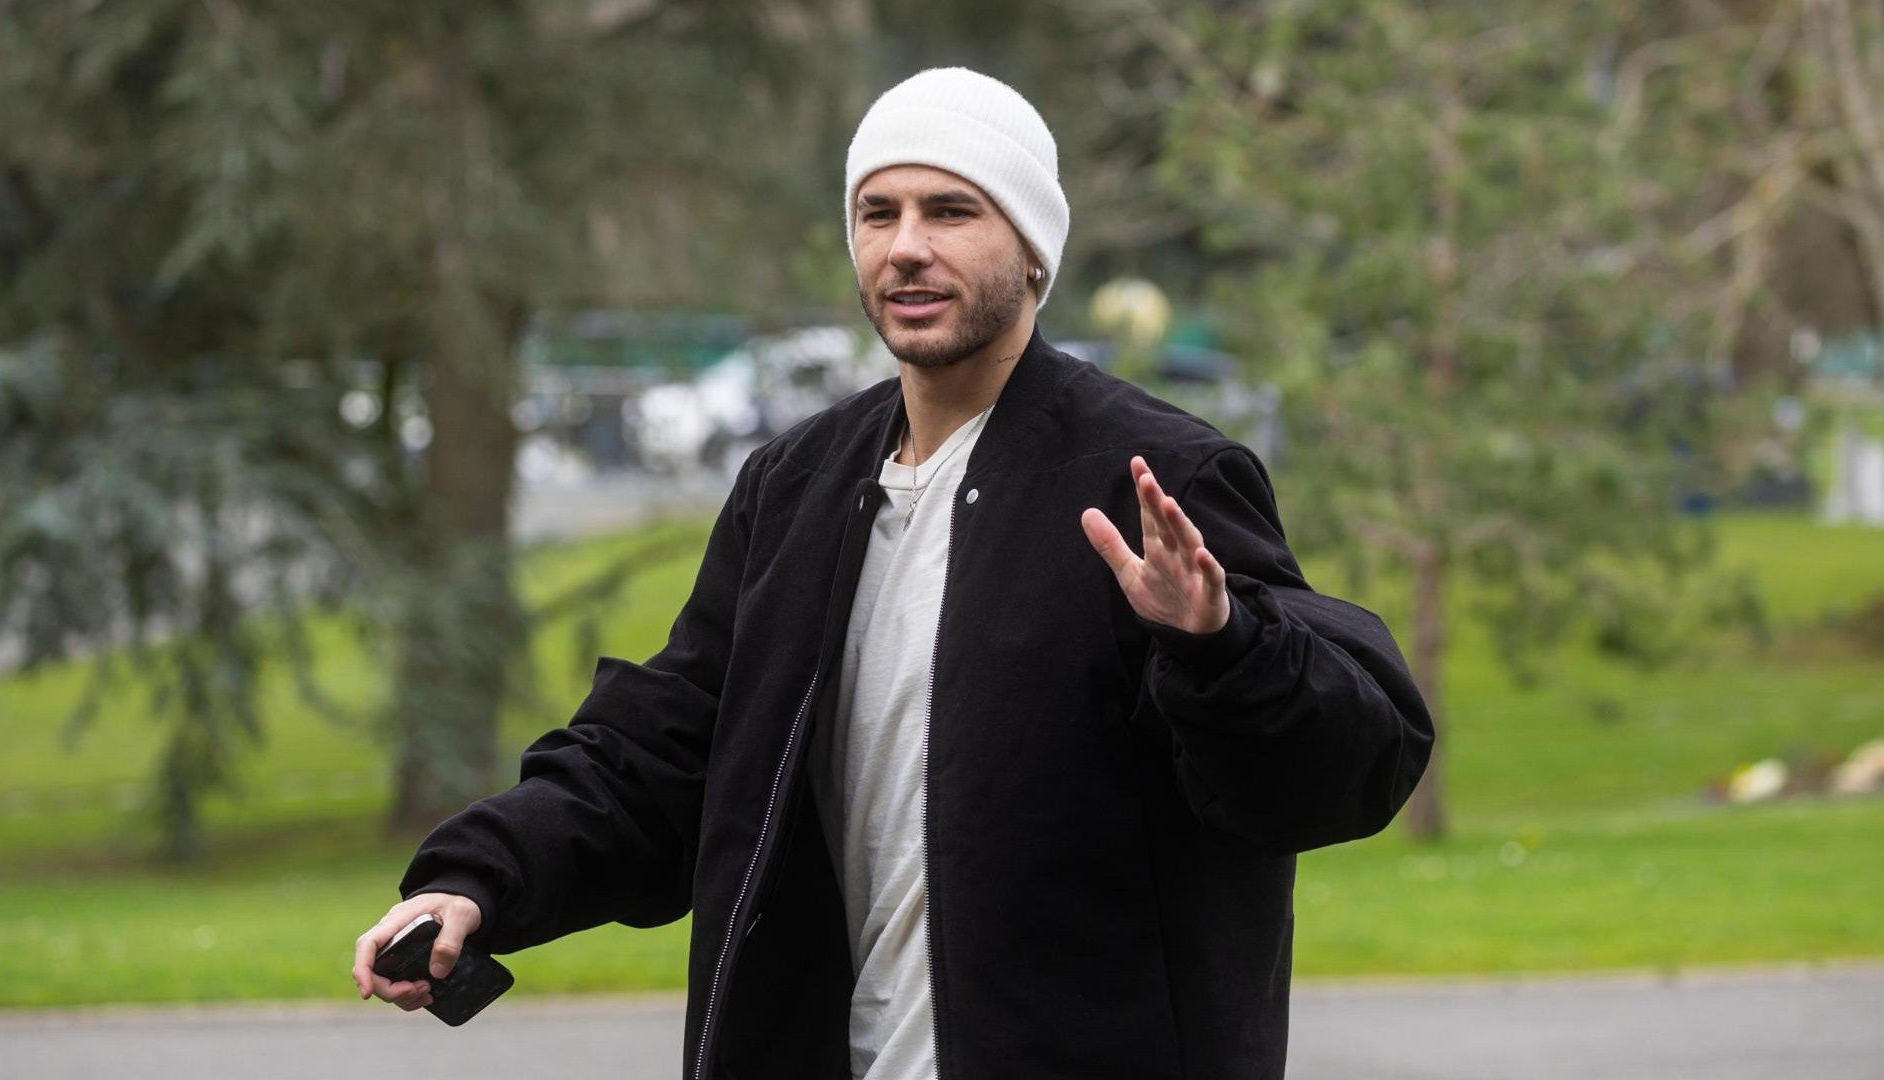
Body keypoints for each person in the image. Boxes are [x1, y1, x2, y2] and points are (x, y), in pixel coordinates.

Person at [352, 67, 1432, 1080]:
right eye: (880, 214)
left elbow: (1346, 768)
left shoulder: (1154, 477)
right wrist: (478, 877)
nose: (907, 248)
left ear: (1035, 249)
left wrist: (1220, 645)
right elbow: (668, 754)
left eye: (951, 211)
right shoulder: (794, 486)